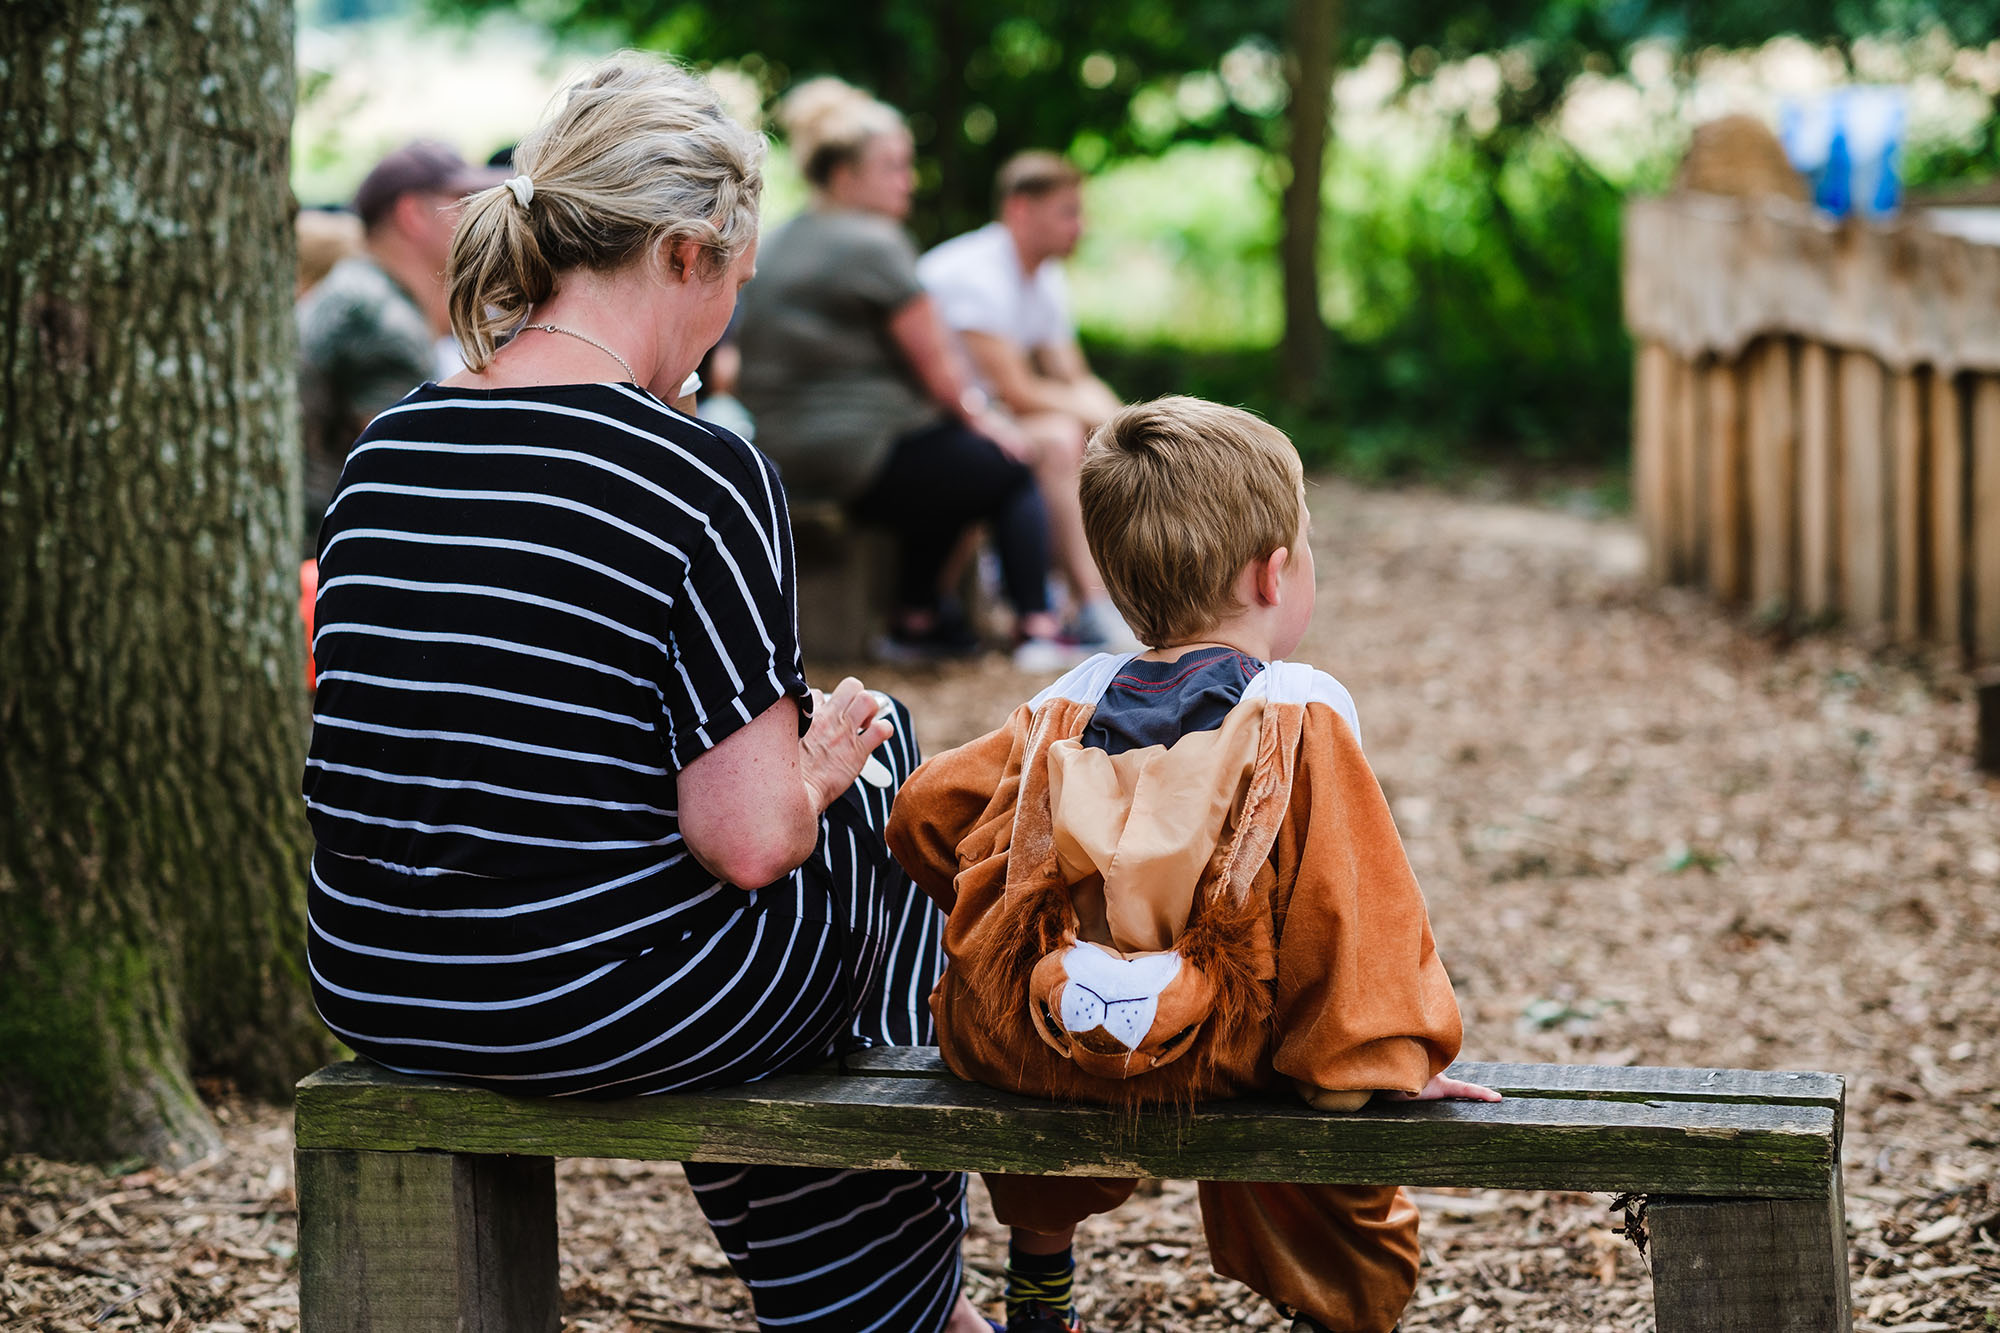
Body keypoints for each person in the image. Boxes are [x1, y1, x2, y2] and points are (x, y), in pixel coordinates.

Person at [303, 55, 988, 1333]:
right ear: (685, 253)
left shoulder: (388, 447)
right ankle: (894, 1311)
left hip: (379, 974)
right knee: (890, 800)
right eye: (735, 275)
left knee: (788, 877)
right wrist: (823, 769)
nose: (730, 308)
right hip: (580, 997)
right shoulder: (701, 476)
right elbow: (745, 840)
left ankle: (881, 1301)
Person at [885, 397, 1501, 1333]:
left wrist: (1019, 914)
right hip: (1218, 1046)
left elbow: (927, 814)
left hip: (1043, 1044)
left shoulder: (1066, 700)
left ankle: (1042, 1290)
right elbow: (1349, 894)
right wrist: (1385, 1055)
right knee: (1339, 1133)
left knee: (1045, 1100)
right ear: (1274, 574)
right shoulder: (1299, 710)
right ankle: (1335, 1307)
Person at [736, 79, 1075, 669]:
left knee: (947, 468)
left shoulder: (779, 239)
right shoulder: (874, 242)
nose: (909, 181)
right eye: (893, 167)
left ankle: (918, 618)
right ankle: (1037, 625)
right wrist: (992, 425)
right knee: (1008, 467)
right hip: (862, 454)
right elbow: (942, 371)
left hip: (784, 450)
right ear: (845, 176)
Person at [917, 153, 1131, 648]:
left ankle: (1089, 598)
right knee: (1058, 439)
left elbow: (1072, 374)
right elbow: (1018, 390)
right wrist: (1110, 417)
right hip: (937, 421)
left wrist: (1128, 424)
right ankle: (1092, 601)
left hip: (987, 417)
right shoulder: (972, 272)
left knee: (1102, 439)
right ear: (1020, 209)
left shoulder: (1044, 275)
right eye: (1068, 212)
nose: (1081, 226)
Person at [296, 140, 499, 556]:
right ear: (412, 215)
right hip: (315, 562)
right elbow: (414, 482)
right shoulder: (379, 319)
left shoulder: (362, 290)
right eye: (463, 202)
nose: (481, 217)